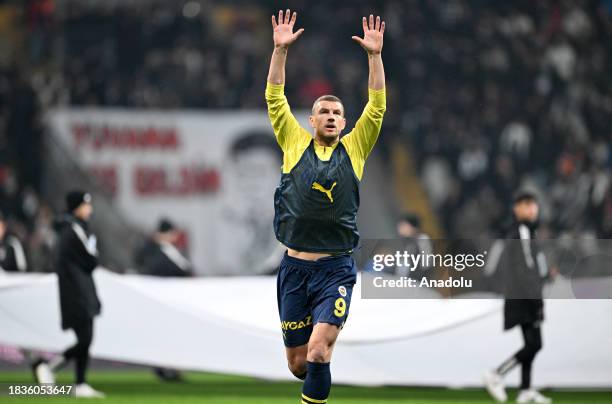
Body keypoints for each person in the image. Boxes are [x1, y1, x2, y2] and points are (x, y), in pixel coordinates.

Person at [266, 10, 386, 403]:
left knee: (319, 350)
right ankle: (318, 374)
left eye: (338, 113)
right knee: (300, 364)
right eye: (325, 112)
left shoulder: (355, 148)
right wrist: (280, 51)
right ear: (312, 119)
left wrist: (374, 57)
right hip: (294, 268)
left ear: (345, 121)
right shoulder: (294, 142)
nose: (332, 117)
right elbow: (274, 97)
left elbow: (377, 107)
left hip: (335, 268)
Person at [33, 190, 105, 398]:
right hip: (77, 291)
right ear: (78, 207)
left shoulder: (72, 229)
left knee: (86, 338)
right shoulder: (74, 230)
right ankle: (48, 367)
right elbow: (92, 260)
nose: (90, 209)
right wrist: (92, 247)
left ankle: (78, 382)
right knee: (85, 338)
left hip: (78, 289)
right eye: (86, 205)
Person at [484, 190, 552, 404]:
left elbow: (528, 264)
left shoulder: (526, 231)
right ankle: (496, 374)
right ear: (517, 209)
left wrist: (545, 275)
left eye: (533, 204)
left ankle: (525, 389)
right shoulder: (522, 230)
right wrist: (536, 297)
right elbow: (526, 267)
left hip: (524, 294)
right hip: (524, 297)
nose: (532, 208)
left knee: (531, 342)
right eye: (526, 204)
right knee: (535, 344)